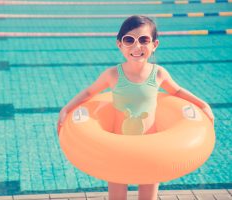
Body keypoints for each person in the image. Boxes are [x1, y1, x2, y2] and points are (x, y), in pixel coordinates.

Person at [57, 15, 214, 200]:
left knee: (148, 197)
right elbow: (89, 93)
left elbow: (178, 91)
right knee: (117, 197)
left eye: (144, 40)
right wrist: (66, 109)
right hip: (117, 148)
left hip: (151, 148)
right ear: (119, 44)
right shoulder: (113, 75)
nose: (136, 46)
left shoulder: (159, 74)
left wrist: (203, 105)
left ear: (154, 44)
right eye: (129, 40)